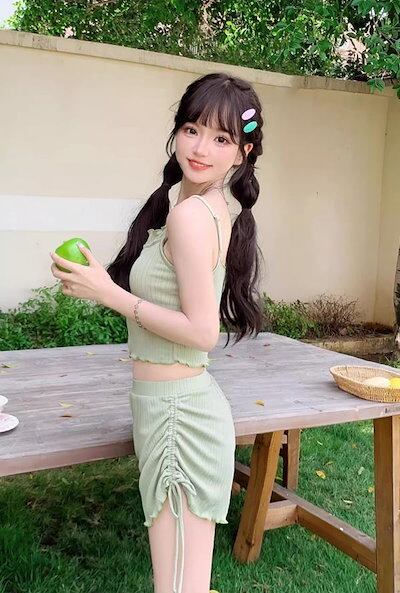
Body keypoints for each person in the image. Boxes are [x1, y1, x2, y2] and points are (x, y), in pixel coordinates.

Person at [53, 71, 265, 593]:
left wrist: (109, 293)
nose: (201, 148)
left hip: (179, 417)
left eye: (221, 139)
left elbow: (202, 331)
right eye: (192, 130)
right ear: (177, 132)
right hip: (166, 407)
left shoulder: (192, 216)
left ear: (243, 153)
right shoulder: (191, 206)